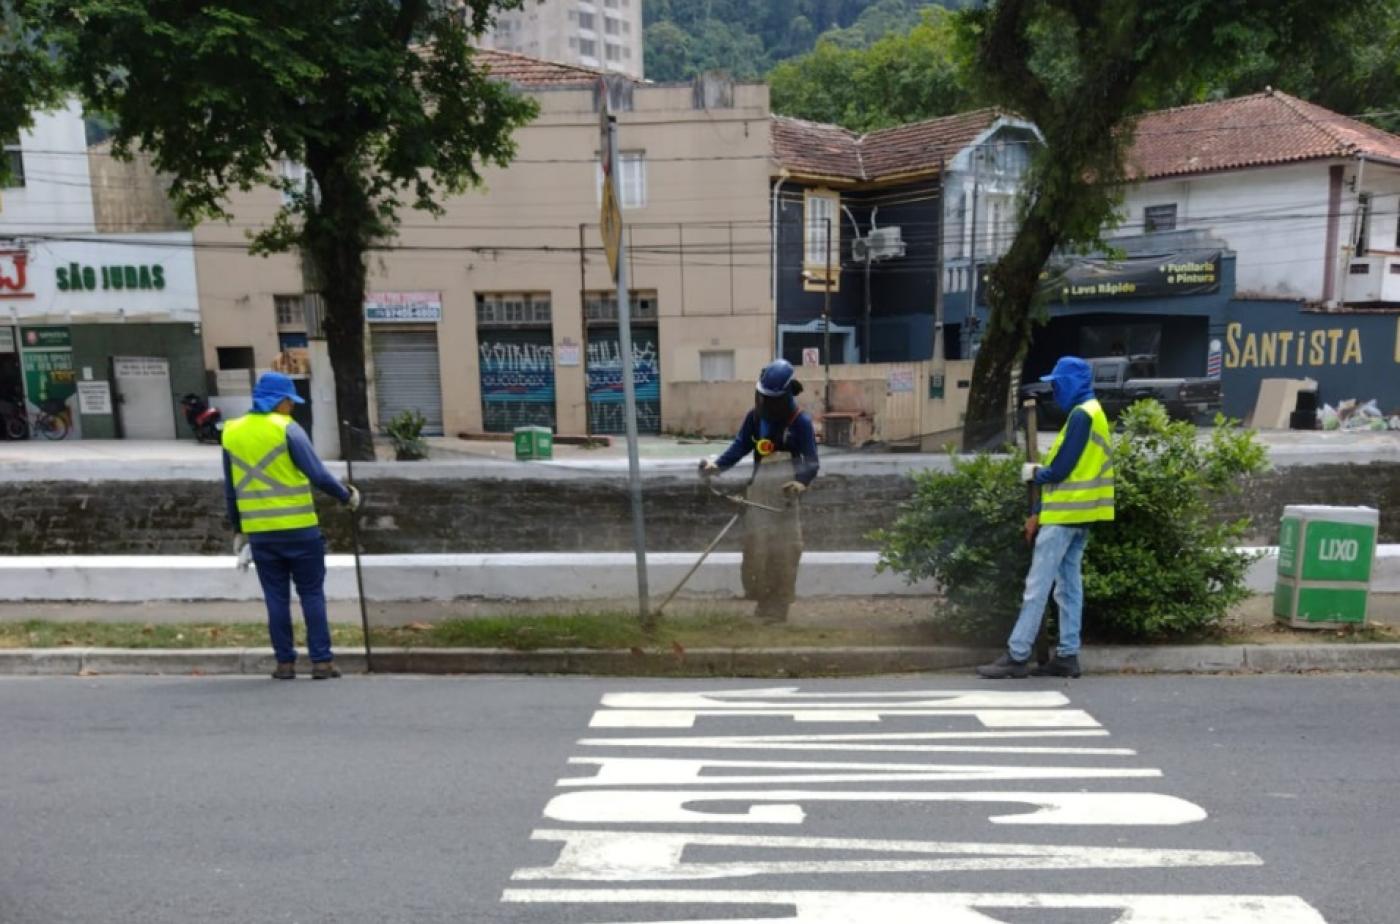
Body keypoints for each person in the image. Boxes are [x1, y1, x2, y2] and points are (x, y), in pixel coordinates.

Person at [977, 356, 1115, 680]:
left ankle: (1017, 654)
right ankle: (1068, 656)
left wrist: (1035, 473)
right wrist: (1039, 511)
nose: (1054, 390)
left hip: (1065, 516)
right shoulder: (1093, 413)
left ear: (1071, 383)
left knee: (1038, 586)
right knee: (1068, 588)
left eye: (1057, 384)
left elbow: (1061, 470)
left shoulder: (1082, 416)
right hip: (1081, 516)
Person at [222, 372, 361, 680]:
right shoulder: (288, 429)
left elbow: (230, 489)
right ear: (279, 401)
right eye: (290, 401)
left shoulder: (231, 432)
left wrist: (238, 529)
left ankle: (284, 664)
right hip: (300, 530)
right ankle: (321, 663)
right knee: (311, 594)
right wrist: (346, 496)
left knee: (276, 598)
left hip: (260, 534)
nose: (292, 407)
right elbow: (319, 475)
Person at [699, 359, 819, 623]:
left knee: (784, 553)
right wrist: (717, 465)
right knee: (757, 551)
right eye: (762, 397)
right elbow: (741, 446)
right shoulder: (754, 418)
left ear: (785, 396)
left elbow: (811, 460)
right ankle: (762, 603)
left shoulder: (801, 422)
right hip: (758, 494)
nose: (765, 403)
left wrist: (801, 482)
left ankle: (778, 608)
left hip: (786, 499)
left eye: (771, 399)